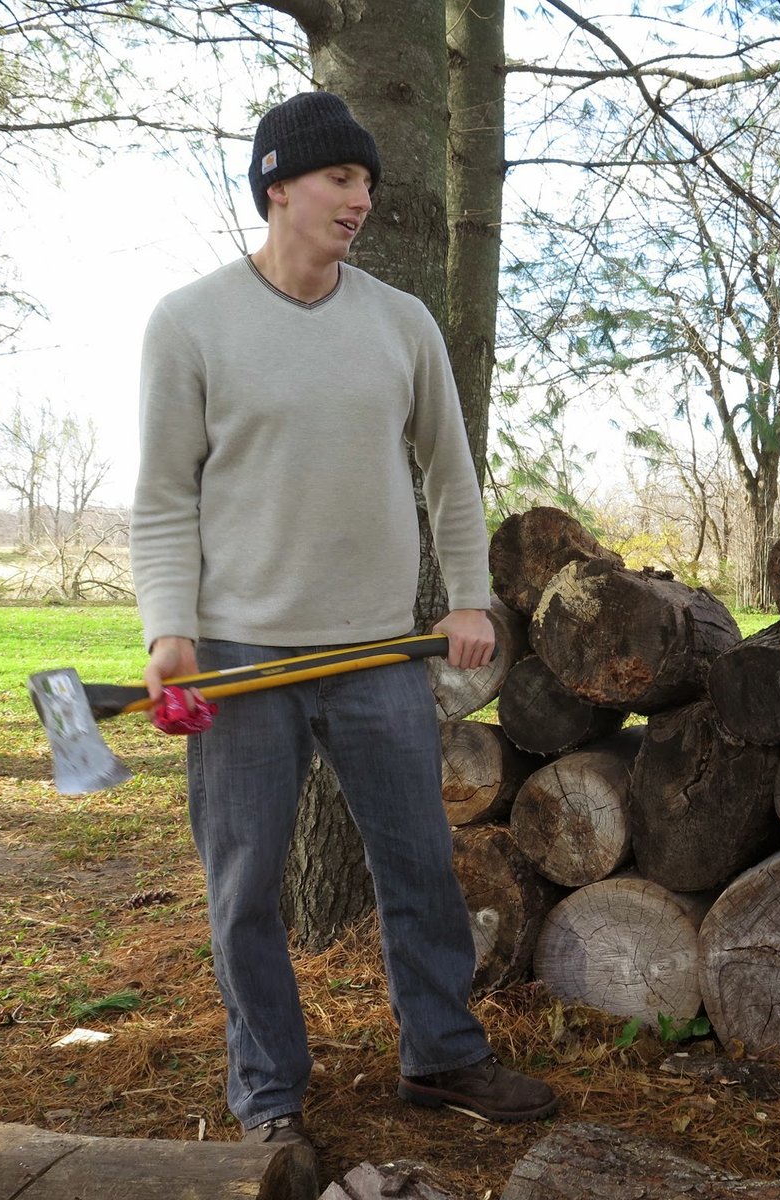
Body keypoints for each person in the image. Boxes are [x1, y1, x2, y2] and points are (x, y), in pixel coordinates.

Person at [129, 90, 559, 1160]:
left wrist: (465, 598)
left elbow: (450, 477)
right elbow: (162, 495)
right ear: (277, 185)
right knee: (245, 889)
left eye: (366, 181)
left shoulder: (399, 323)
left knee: (417, 863)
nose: (359, 199)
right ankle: (270, 1093)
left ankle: (443, 1056)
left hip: (375, 649)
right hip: (237, 653)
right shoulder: (189, 322)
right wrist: (166, 629)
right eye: (338, 179)